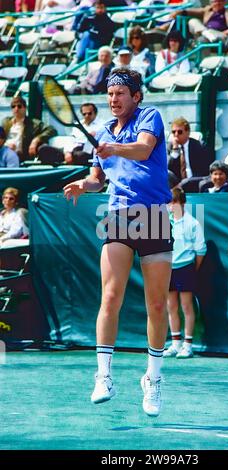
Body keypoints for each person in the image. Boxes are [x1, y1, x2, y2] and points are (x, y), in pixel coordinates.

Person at [63, 67, 173, 417]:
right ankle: (104, 375)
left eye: (121, 93)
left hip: (154, 215)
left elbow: (142, 151)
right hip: (118, 216)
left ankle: (153, 378)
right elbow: (98, 178)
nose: (114, 99)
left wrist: (113, 148)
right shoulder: (103, 132)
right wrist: (84, 184)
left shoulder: (150, 117)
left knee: (157, 304)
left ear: (136, 96)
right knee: (110, 296)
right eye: (110, 94)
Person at [164, 188, 206, 359]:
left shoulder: (193, 223)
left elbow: (201, 251)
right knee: (171, 306)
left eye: (174, 202)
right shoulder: (165, 221)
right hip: (168, 268)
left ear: (182, 203)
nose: (171, 206)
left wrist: (192, 268)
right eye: (169, 202)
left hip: (186, 267)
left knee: (186, 306)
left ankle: (188, 345)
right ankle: (175, 343)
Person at [1, 96, 57, 163]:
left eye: (19, 106)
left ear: (25, 108)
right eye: (13, 106)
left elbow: (51, 130)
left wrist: (36, 140)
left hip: (21, 156)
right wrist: (6, 145)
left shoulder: (33, 123)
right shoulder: (6, 122)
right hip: (4, 154)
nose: (16, 109)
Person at [167, 117, 212, 191]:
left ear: (188, 132)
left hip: (195, 182)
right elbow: (167, 169)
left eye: (180, 132)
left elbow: (205, 170)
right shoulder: (171, 147)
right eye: (173, 132)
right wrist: (175, 150)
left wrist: (189, 182)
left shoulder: (199, 146)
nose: (176, 134)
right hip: (176, 185)